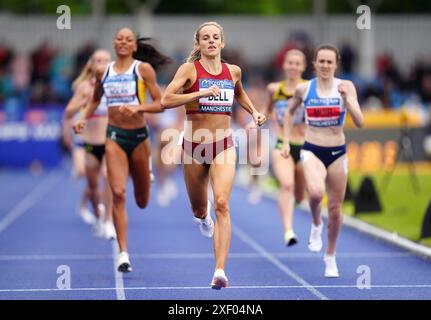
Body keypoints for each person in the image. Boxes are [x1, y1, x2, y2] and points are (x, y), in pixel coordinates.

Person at [161, 21, 266, 289]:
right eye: (205, 37)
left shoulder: (233, 71)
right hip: (194, 147)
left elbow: (239, 93)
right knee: (199, 208)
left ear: (222, 42)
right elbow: (166, 99)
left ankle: (220, 270)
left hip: (223, 145)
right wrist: (201, 92)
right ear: (198, 44)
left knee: (222, 203)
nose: (210, 41)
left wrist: (253, 111)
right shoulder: (188, 70)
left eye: (215, 37)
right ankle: (202, 218)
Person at [74, 28, 170, 272]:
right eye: (119, 38)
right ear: (114, 43)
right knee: (117, 192)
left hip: (138, 138)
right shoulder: (102, 71)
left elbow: (161, 104)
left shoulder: (142, 70)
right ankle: (123, 252)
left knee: (142, 201)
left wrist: (138, 109)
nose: (123, 42)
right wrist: (83, 118)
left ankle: (146, 175)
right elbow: (95, 100)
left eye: (128, 39)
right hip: (114, 137)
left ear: (134, 46)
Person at [281, 44, 363, 277]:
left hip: (338, 152)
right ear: (314, 64)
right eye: (321, 62)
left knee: (336, 210)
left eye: (330, 62)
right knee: (316, 194)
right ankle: (316, 224)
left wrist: (348, 101)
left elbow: (360, 121)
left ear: (336, 64)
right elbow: (288, 113)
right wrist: (286, 141)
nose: (325, 66)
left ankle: (330, 255)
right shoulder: (304, 89)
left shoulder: (345, 87)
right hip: (312, 150)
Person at [64, 49, 116, 240]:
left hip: (110, 141)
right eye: (98, 60)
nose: (101, 63)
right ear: (91, 65)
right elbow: (68, 112)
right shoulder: (84, 87)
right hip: (89, 144)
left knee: (109, 179)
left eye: (105, 60)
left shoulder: (116, 85)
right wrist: (85, 101)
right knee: (93, 187)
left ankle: (109, 220)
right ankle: (98, 216)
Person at [267, 49, 307, 247]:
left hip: (306, 145)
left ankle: (300, 201)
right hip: (283, 143)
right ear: (284, 65)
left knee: (300, 194)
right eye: (290, 63)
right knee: (287, 185)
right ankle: (288, 231)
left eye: (297, 63)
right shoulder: (274, 89)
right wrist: (261, 122)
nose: (293, 66)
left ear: (303, 67)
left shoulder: (309, 89)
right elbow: (268, 110)